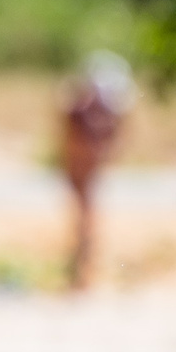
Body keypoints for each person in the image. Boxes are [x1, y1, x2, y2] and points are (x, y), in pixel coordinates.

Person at [58, 53, 133, 289]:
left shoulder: (84, 112)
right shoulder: (79, 112)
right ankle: (82, 274)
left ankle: (83, 274)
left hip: (84, 170)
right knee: (85, 218)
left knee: (86, 218)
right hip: (80, 170)